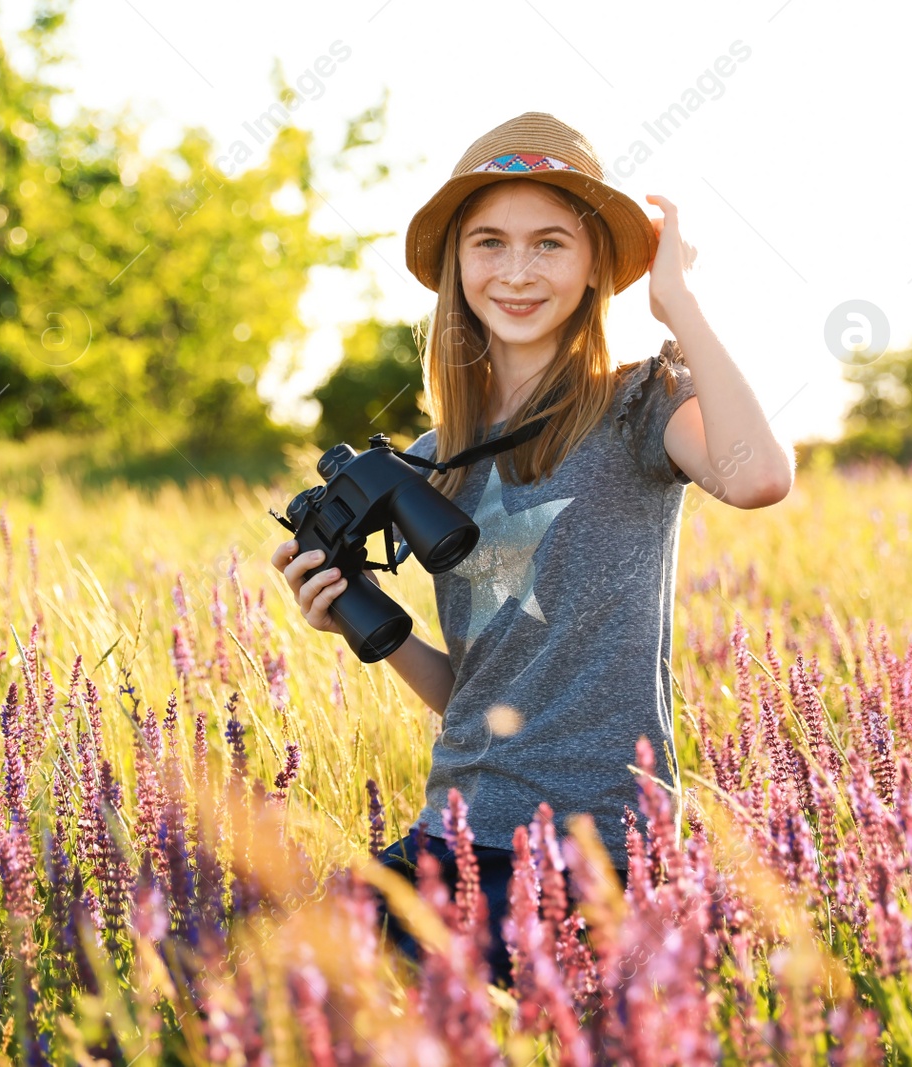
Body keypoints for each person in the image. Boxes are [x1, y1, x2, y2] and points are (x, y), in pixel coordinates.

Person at [270, 112, 794, 982]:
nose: (516, 271)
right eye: (489, 243)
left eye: (550, 243)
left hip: (604, 850)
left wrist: (679, 306)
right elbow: (481, 696)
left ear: (594, 267)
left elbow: (759, 475)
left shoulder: (640, 408)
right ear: (456, 267)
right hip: (457, 832)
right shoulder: (430, 465)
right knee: (276, 1000)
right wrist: (374, 629)